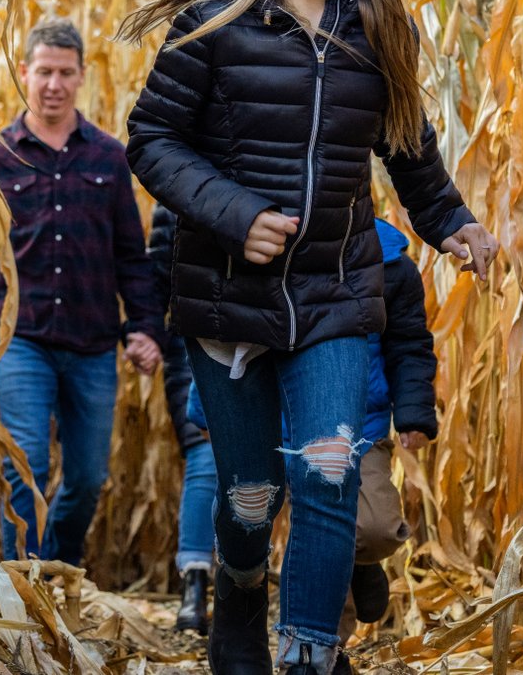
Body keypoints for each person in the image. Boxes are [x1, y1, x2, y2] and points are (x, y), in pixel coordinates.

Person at [120, 0, 499, 675]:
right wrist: (236, 213)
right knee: (251, 498)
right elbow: (151, 139)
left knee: (328, 482)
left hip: (335, 296)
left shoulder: (380, 32)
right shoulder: (213, 19)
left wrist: (458, 227)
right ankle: (240, 595)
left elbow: (411, 158)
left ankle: (308, 654)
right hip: (226, 300)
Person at [174, 217, 440, 675]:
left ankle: (356, 567)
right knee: (270, 512)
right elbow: (227, 336)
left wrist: (414, 412)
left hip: (359, 425)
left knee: (372, 527)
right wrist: (207, 411)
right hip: (269, 422)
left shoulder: (393, 266)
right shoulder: (268, 249)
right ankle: (322, 649)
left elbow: (409, 344)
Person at [0, 16, 165, 566]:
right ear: (24, 73)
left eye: (66, 73)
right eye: (44, 72)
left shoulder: (108, 157)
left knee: (88, 476)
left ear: (81, 78)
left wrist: (144, 329)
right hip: (21, 340)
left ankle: (60, 568)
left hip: (93, 345)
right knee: (24, 463)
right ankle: (22, 595)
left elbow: (131, 255)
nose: (54, 84)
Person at [148, 203, 217, 634]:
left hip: (269, 335)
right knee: (205, 455)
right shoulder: (175, 187)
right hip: (193, 344)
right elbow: (156, 279)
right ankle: (195, 586)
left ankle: (238, 584)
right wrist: (146, 334)